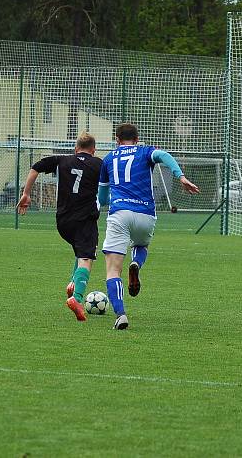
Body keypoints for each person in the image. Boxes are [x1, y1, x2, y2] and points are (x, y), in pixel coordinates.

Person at [97, 123, 200, 330]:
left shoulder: (108, 159)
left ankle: (120, 314)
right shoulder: (145, 151)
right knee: (141, 244)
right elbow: (165, 156)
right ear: (136, 139)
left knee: (113, 269)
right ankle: (136, 263)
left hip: (120, 214)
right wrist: (180, 177)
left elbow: (102, 197)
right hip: (145, 215)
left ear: (117, 140)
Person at [17, 132, 102, 321]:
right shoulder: (99, 164)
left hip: (63, 221)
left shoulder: (61, 160)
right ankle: (77, 298)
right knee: (87, 258)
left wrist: (26, 194)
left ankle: (73, 281)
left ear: (75, 148)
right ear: (93, 150)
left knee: (81, 252)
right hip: (85, 219)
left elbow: (35, 168)